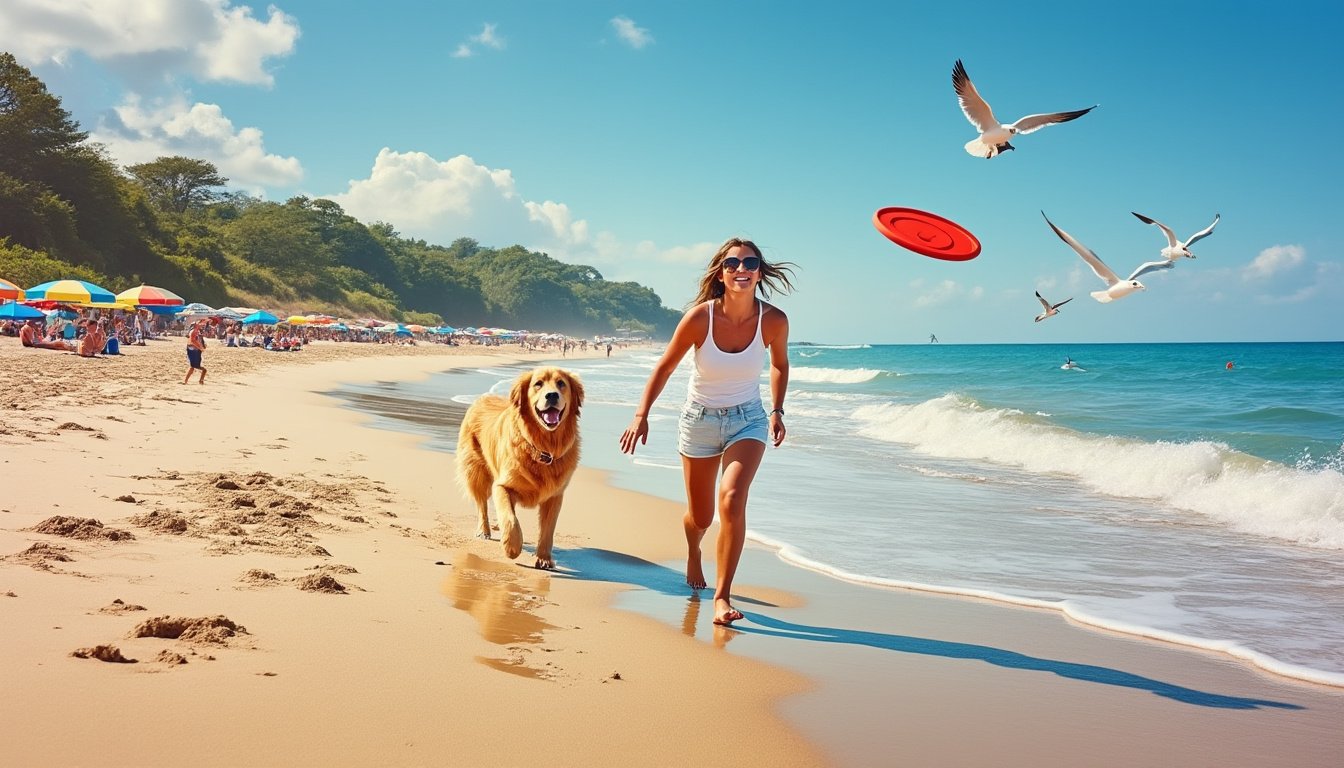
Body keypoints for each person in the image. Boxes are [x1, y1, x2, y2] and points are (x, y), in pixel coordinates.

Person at [619, 237, 795, 626]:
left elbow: (779, 365)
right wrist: (640, 414)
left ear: (759, 271)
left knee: (732, 500)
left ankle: (722, 597)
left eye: (750, 263)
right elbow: (664, 367)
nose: (741, 269)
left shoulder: (774, 321)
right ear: (721, 272)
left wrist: (778, 410)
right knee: (700, 517)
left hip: (748, 419)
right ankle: (694, 550)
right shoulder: (701, 317)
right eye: (732, 264)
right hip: (699, 421)